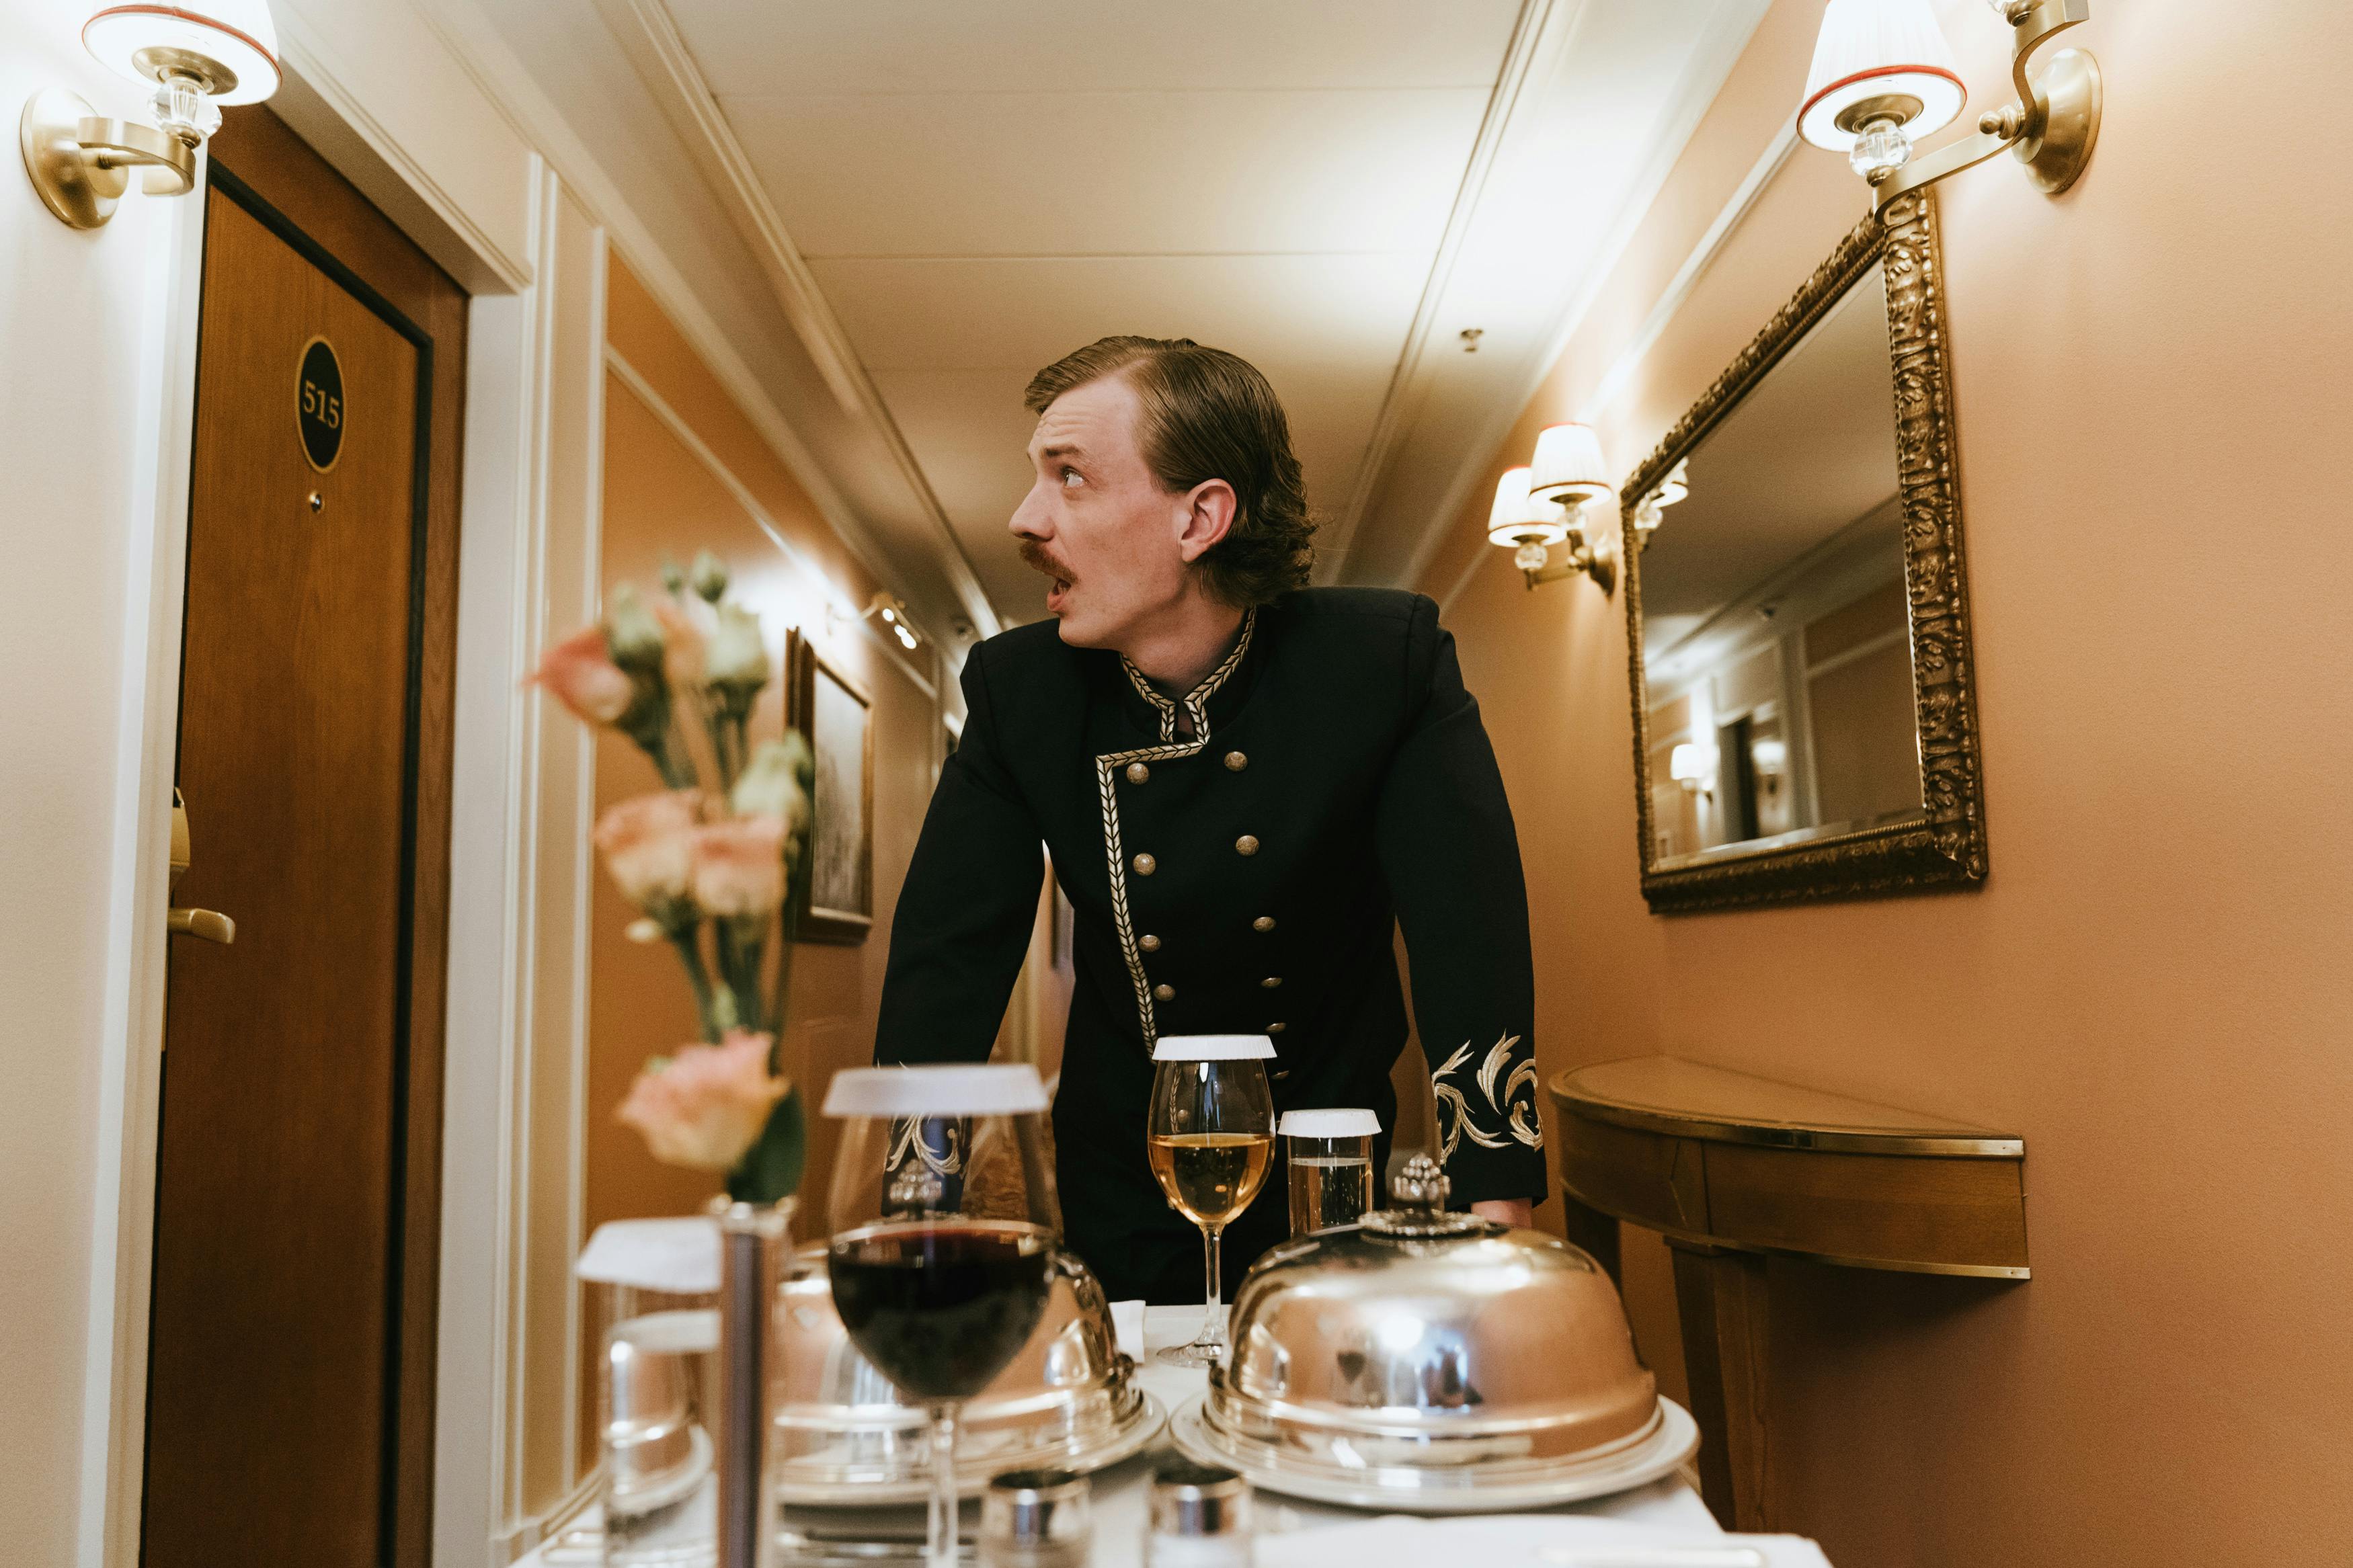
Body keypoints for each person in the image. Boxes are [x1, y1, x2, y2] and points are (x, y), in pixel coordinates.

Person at [873, 335, 1544, 1303]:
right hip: (1121, 1174)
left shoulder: (1382, 665)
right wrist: (913, 1215)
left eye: (1070, 477)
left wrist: (1498, 1227)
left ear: (1201, 517)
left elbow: (1465, 939)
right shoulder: (1020, 693)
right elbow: (949, 960)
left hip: (1330, 1170)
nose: (1025, 519)